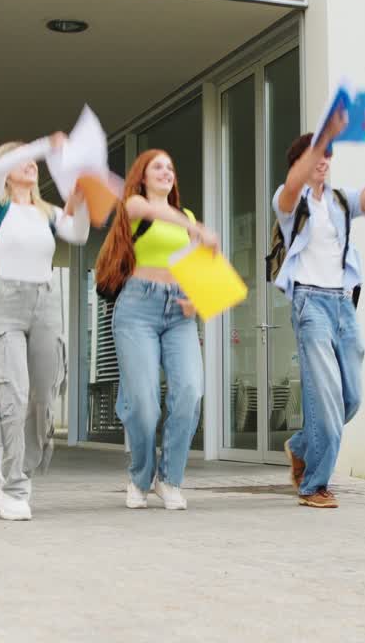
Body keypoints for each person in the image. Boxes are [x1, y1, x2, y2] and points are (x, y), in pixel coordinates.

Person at [272, 109, 365, 508]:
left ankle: (300, 446)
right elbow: (292, 186)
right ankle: (314, 485)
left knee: (351, 398)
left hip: (343, 306)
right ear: (300, 162)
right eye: (315, 154)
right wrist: (324, 133)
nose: (323, 159)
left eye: (328, 153)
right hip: (310, 304)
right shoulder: (289, 201)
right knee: (324, 398)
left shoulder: (343, 201)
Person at [94, 149, 221, 510]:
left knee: (190, 391)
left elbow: (202, 263)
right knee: (144, 405)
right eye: (158, 167)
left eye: (171, 166)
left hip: (179, 312)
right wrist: (195, 229)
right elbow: (147, 211)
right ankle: (140, 477)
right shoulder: (134, 206)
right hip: (137, 309)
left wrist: (198, 297)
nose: (166, 171)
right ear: (143, 176)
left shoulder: (187, 216)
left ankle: (170, 479)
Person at [0, 133, 89, 521]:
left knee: (42, 399)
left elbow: (79, 232)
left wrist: (79, 196)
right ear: (6, 170)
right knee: (13, 394)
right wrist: (45, 144)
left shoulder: (47, 213)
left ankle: (19, 462)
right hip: (5, 305)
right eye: (20, 159)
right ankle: (12, 487)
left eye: (33, 161)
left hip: (45, 302)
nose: (30, 164)